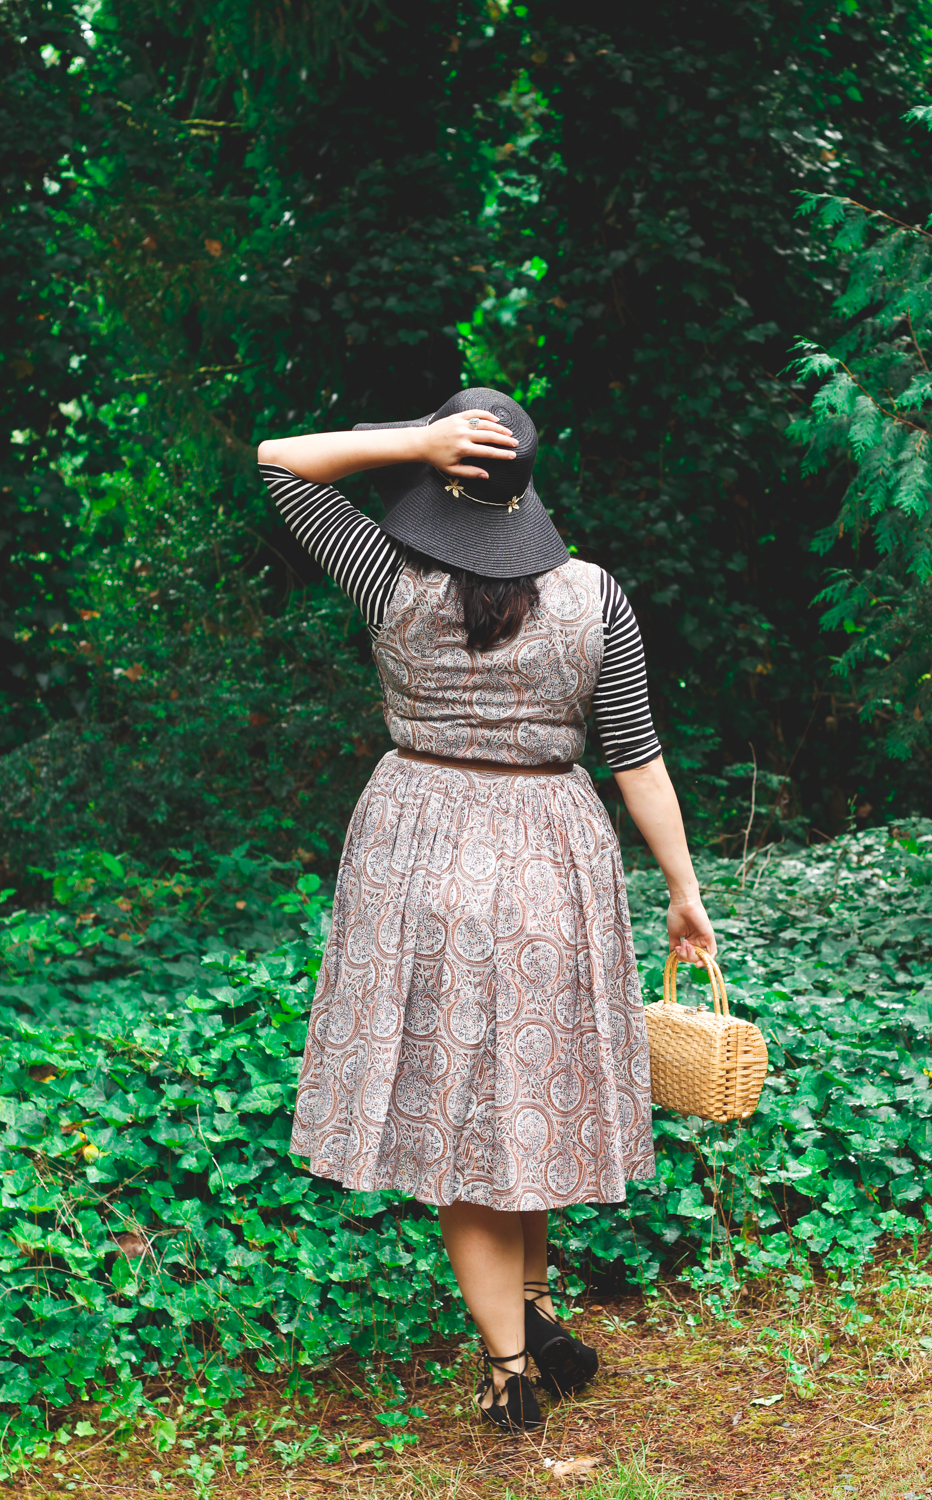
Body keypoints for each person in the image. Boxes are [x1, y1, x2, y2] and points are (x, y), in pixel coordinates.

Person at [257, 387, 716, 1433]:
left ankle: (509, 1367)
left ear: (440, 485)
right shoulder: (596, 596)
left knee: (462, 1112)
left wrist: (415, 442)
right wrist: (684, 893)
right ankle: (536, 1318)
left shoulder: (385, 572)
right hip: (549, 851)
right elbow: (636, 757)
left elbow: (280, 458)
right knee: (525, 1089)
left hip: (416, 847)